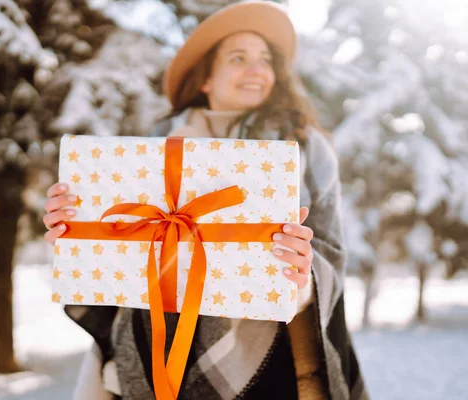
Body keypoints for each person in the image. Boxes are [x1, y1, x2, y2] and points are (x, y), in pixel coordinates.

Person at [42, 1, 368, 399]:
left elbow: (330, 251)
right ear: (205, 79)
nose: (257, 70)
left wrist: (303, 279)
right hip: (153, 359)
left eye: (265, 60)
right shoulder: (150, 149)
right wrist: (73, 230)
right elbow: (114, 250)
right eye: (238, 58)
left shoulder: (306, 147)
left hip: (280, 368)